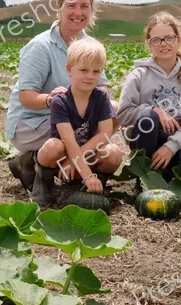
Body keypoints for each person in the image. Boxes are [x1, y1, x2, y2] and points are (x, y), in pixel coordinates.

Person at [5, 0, 118, 192]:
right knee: (72, 125)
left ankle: (77, 169)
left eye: (84, 6)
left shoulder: (89, 46)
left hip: (71, 121)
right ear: (59, 9)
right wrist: (51, 99)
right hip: (33, 121)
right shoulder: (41, 46)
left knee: (114, 110)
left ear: (91, 10)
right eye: (71, 5)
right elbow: (26, 96)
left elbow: (101, 89)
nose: (78, 12)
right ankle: (32, 163)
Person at [31, 38, 124, 207]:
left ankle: (96, 183)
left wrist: (78, 164)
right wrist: (86, 173)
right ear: (69, 70)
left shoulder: (101, 97)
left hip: (84, 155)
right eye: (83, 70)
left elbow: (105, 134)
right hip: (62, 157)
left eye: (96, 72)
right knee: (53, 146)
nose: (90, 76)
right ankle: (43, 180)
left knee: (113, 152)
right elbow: (68, 141)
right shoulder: (60, 101)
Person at [116, 12, 181, 178]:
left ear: (178, 40)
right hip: (145, 140)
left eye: (168, 38)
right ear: (149, 44)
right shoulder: (138, 75)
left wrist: (171, 146)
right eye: (156, 40)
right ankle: (144, 176)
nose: (163, 44)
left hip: (177, 143)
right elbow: (124, 115)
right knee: (149, 117)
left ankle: (166, 174)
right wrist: (155, 111)